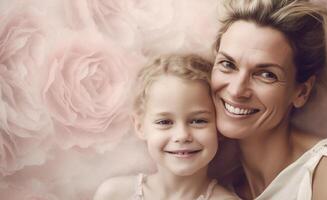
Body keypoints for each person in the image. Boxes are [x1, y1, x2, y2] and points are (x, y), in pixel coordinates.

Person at [210, 0, 327, 199]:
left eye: (266, 74)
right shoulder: (217, 186)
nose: (237, 90)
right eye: (227, 64)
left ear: (301, 92)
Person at [93, 54, 238, 200]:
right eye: (164, 122)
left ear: (219, 125)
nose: (182, 135)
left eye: (198, 121)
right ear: (140, 126)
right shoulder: (114, 194)